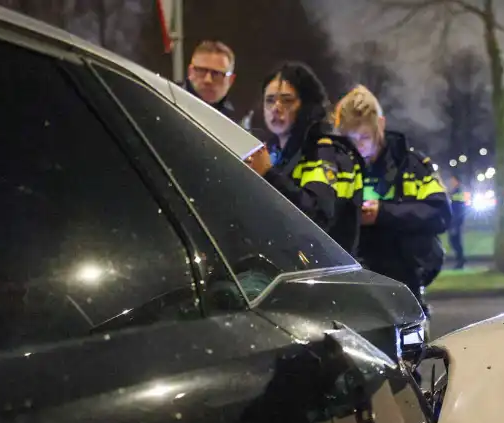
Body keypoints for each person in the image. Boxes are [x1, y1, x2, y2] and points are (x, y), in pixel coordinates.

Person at [334, 86, 451, 312]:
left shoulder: (411, 165)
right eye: (350, 139)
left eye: (365, 137)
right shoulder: (335, 165)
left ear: (381, 125)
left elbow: (440, 213)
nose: (358, 147)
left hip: (405, 285)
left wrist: (383, 213)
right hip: (349, 286)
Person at [243, 63, 363, 254]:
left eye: (287, 100)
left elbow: (317, 219)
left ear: (307, 106)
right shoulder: (276, 151)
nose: (276, 108)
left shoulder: (324, 151)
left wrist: (269, 175)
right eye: (270, 100)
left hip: (323, 275)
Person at [182, 40, 240, 123]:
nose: (208, 80)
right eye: (201, 71)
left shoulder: (234, 123)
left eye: (217, 74)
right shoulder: (168, 105)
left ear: (230, 80)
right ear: (190, 72)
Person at [445, 173, 468, 269]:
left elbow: (457, 207)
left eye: (453, 180)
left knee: (455, 241)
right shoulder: (456, 191)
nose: (451, 182)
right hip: (455, 221)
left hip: (456, 222)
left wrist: (455, 222)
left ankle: (461, 260)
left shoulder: (458, 191)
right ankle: (461, 259)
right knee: (455, 241)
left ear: (457, 181)